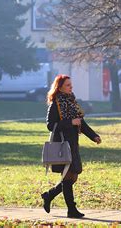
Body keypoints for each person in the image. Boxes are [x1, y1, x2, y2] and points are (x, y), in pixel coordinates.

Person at [41, 74, 101, 219]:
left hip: (72, 144)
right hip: (62, 145)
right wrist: (70, 123)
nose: (71, 87)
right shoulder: (55, 104)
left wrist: (93, 136)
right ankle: (71, 210)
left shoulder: (72, 102)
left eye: (71, 85)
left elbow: (81, 122)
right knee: (68, 177)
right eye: (68, 85)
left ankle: (49, 195)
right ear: (60, 86)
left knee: (73, 176)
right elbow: (50, 125)